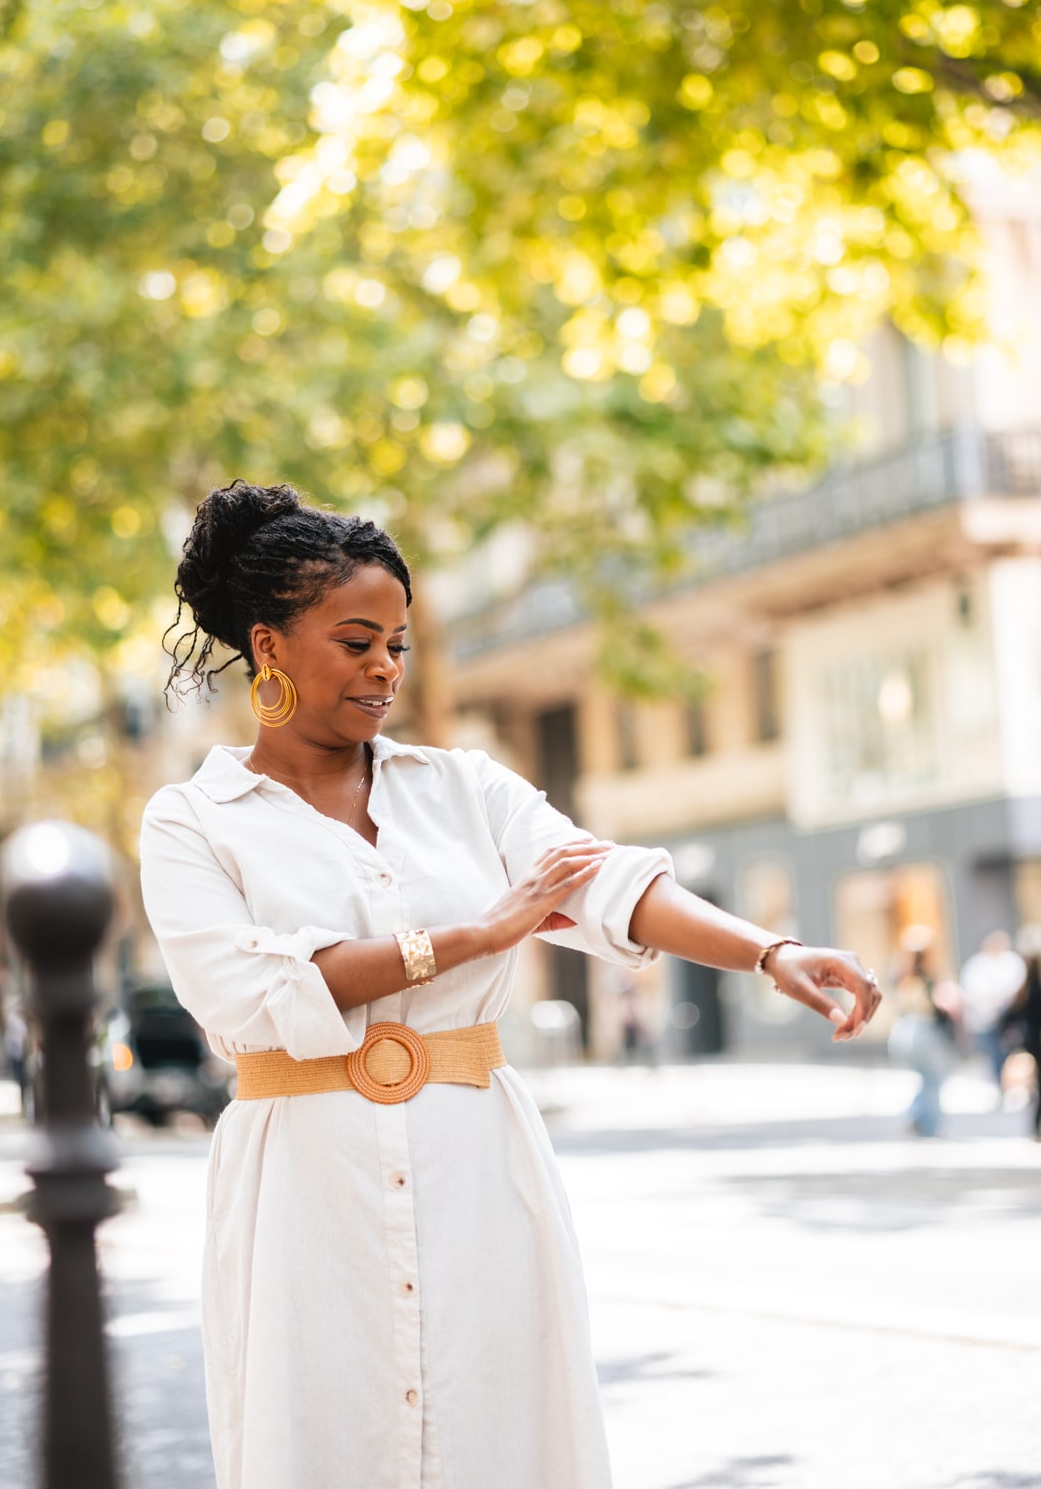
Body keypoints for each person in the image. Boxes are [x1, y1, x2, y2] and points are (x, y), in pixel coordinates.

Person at [139, 480, 882, 1489]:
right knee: (321, 1437)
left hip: (478, 1172)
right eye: (356, 641)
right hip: (303, 1191)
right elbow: (246, 995)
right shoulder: (193, 820)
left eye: (397, 643)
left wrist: (768, 952)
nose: (385, 666)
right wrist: (474, 935)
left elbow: (605, 880)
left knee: (500, 1432)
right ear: (268, 645)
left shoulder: (465, 788)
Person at [887, 927, 961, 1137]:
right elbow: (934, 1006)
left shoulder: (900, 977)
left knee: (927, 1078)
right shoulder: (927, 978)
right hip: (924, 1031)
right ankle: (927, 1124)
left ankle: (916, 1116)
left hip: (904, 1030)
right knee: (933, 1078)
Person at [960, 929, 1026, 1086]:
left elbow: (1017, 987)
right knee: (993, 1053)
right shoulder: (977, 965)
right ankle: (1000, 1082)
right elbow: (971, 991)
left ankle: (1014, 1082)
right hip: (985, 1018)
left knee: (1012, 1052)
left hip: (1009, 1017)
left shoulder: (1011, 962)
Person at [1000, 930, 1041, 1140]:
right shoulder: (1029, 986)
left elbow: (1008, 1016)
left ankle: (1036, 1127)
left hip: (1032, 1041)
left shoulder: (1026, 985)